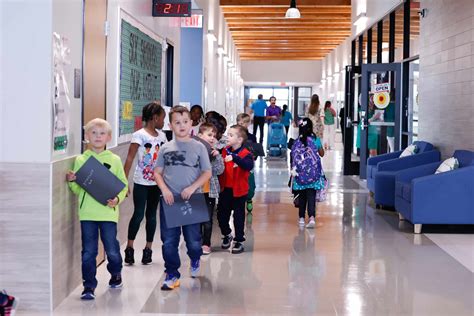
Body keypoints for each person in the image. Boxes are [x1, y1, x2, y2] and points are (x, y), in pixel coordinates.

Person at [66, 118, 128, 300]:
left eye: (102, 133)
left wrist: (117, 199)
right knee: (88, 252)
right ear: (87, 136)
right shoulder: (81, 160)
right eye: (93, 133)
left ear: (108, 137)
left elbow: (123, 186)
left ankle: (116, 273)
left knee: (112, 249)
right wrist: (72, 182)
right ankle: (88, 286)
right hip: (87, 214)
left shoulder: (115, 160)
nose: (98, 137)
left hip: (108, 213)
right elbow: (78, 189)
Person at [153, 105, 212, 290]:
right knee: (169, 241)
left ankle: (195, 258)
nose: (182, 126)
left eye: (185, 122)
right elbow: (157, 172)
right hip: (170, 201)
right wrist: (165, 189)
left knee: (194, 241)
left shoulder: (200, 147)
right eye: (177, 123)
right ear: (170, 126)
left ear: (192, 123)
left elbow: (207, 172)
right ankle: (172, 274)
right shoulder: (165, 148)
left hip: (192, 200)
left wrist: (193, 187)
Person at [123, 102, 167, 265]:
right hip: (141, 181)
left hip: (156, 183)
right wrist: (123, 180)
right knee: (138, 214)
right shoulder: (139, 135)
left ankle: (148, 249)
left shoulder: (162, 136)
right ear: (155, 118)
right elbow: (129, 158)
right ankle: (129, 247)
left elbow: (164, 159)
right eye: (163, 118)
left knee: (151, 216)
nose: (164, 122)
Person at [218, 125, 254, 254]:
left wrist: (235, 159)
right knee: (222, 215)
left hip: (239, 191)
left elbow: (248, 166)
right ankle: (227, 234)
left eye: (231, 135)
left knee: (238, 217)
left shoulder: (246, 154)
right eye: (228, 134)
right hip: (225, 189)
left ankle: (239, 240)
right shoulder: (224, 150)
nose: (227, 137)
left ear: (239, 140)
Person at [290, 118, 325, 229]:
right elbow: (322, 154)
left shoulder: (296, 142)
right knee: (311, 196)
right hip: (313, 175)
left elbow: (292, 158)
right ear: (311, 128)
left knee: (302, 195)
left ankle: (301, 218)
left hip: (299, 175)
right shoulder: (315, 140)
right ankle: (311, 218)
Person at [197, 123, 224, 255]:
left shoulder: (214, 152)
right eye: (209, 135)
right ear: (200, 136)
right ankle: (196, 242)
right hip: (196, 191)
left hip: (209, 191)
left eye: (214, 135)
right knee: (196, 219)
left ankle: (206, 243)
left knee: (207, 220)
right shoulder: (194, 150)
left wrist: (217, 156)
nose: (212, 138)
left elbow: (219, 170)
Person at [236, 113, 257, 213]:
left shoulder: (252, 137)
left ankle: (249, 198)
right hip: (237, 164)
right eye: (239, 122)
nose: (241, 124)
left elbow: (255, 152)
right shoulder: (234, 136)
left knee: (250, 185)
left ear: (248, 123)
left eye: (244, 123)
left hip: (249, 165)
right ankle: (239, 201)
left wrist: (254, 154)